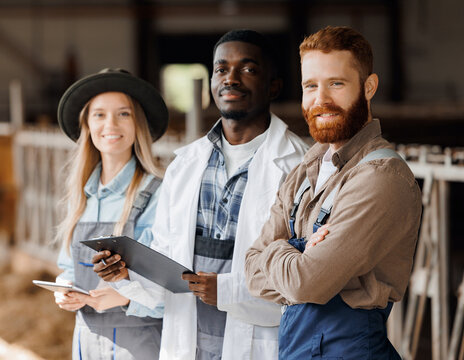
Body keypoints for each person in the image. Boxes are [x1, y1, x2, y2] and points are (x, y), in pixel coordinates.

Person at [92, 29, 308, 359]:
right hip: (188, 339)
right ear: (211, 83)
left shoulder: (299, 165)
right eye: (221, 69)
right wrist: (126, 275)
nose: (231, 79)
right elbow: (166, 258)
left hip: (262, 341)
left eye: (247, 69)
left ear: (273, 86)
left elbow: (303, 273)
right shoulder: (185, 165)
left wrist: (227, 290)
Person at [244, 26, 422, 359]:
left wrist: (280, 248)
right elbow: (251, 273)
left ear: (368, 87)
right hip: (298, 347)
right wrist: (297, 255)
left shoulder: (381, 176)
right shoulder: (307, 167)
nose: (320, 99)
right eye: (310, 86)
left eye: (336, 84)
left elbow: (305, 283)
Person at [54, 68, 169, 360]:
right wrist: (64, 288)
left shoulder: (158, 194)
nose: (111, 124)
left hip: (139, 344)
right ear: (88, 125)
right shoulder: (80, 196)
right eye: (99, 115)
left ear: (138, 123)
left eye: (124, 114)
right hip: (86, 342)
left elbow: (170, 288)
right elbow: (69, 267)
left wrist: (123, 298)